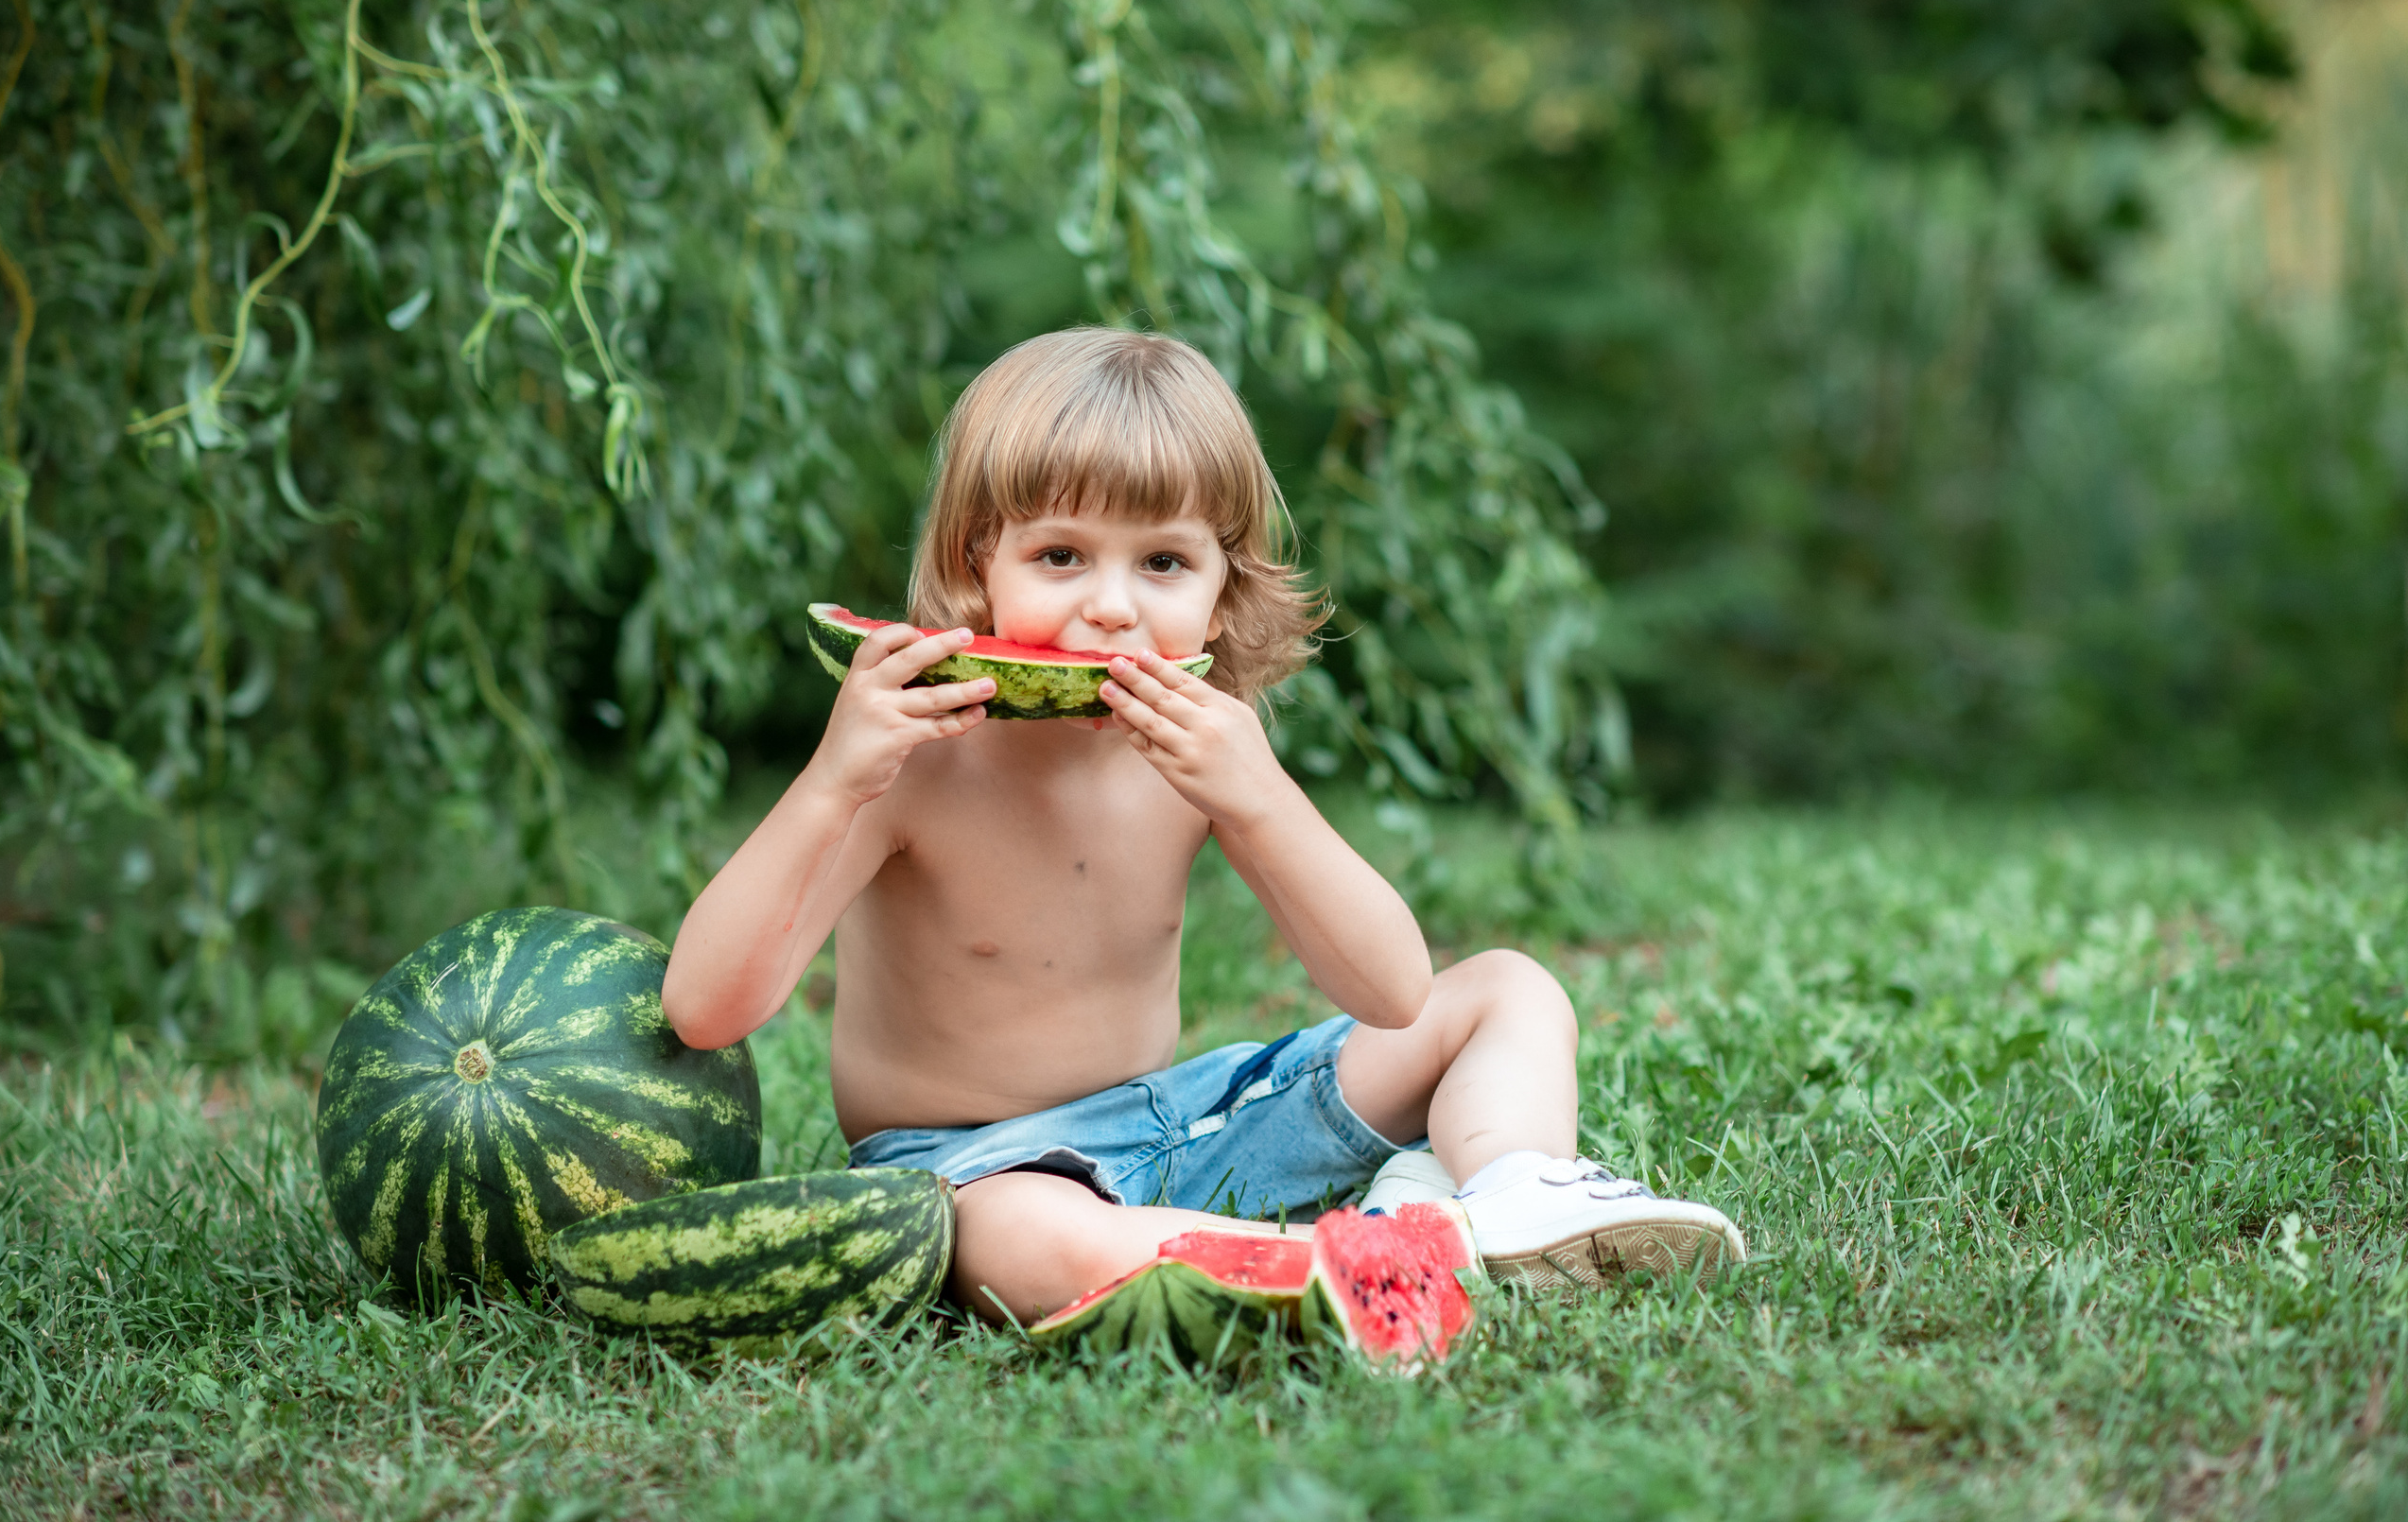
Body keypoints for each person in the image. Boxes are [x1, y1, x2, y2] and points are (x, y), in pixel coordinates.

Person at [661, 326, 1744, 1325]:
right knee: (1019, 1243)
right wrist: (829, 784)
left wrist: (1259, 795)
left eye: (1163, 562)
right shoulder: (908, 764)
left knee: (1507, 988)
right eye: (1061, 557)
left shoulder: (1201, 753)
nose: (1114, 606)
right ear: (974, 564)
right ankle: (1357, 1252)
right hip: (973, 1164)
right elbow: (709, 1008)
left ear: (1224, 592)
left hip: (1191, 1121)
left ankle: (1509, 1194)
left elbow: (1391, 993)